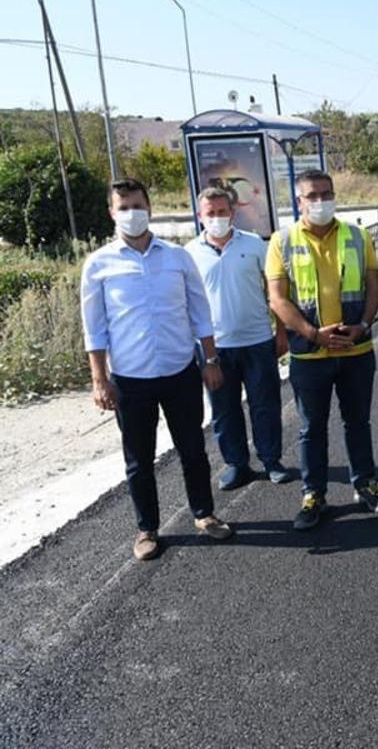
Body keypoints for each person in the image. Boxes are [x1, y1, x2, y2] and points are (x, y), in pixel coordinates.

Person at [81, 178, 234, 561]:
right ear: (112, 213)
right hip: (130, 380)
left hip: (180, 372)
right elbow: (94, 327)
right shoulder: (99, 264)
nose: (132, 213)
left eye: (138, 205)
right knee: (139, 460)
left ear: (149, 208)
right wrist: (99, 380)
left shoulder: (177, 257)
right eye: (124, 207)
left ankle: (204, 513)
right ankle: (147, 528)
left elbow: (199, 311)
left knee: (193, 450)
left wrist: (210, 359)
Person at [266, 169, 378, 530]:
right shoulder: (281, 241)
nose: (321, 201)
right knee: (311, 429)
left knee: (358, 422)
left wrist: (363, 325)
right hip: (309, 355)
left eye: (326, 194)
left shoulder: (357, 236)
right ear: (299, 201)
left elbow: (373, 285)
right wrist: (312, 334)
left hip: (355, 350)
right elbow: (277, 298)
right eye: (313, 195)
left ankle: (365, 484)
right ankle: (313, 495)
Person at [185, 186, 292, 491]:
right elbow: (186, 302)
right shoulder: (189, 254)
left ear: (232, 213)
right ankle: (237, 464)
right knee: (223, 410)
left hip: (258, 341)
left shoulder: (255, 245)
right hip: (214, 347)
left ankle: (271, 460)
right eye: (211, 213)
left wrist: (281, 331)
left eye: (222, 212)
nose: (217, 218)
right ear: (200, 216)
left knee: (265, 404)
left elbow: (275, 291)